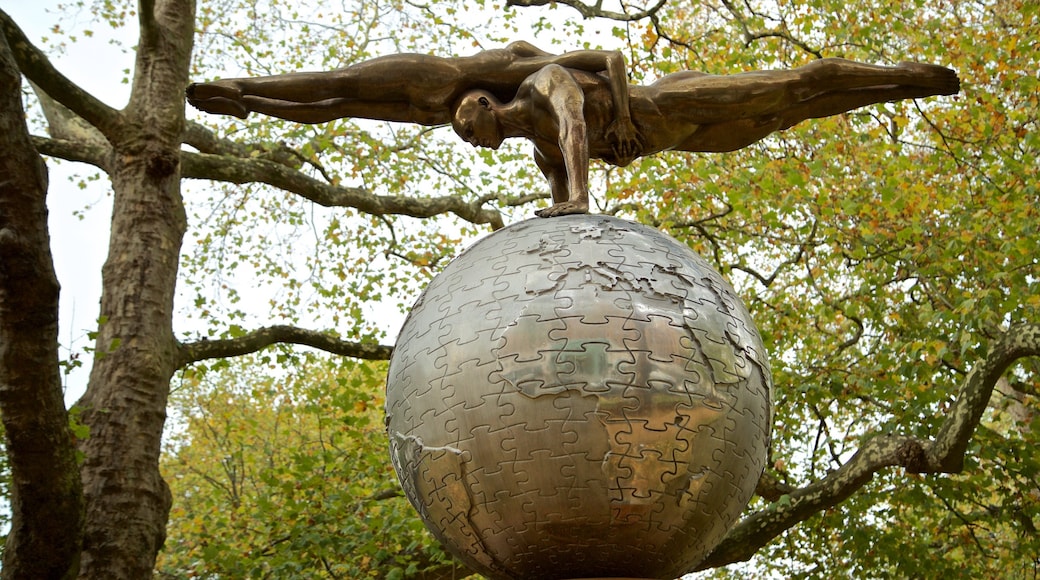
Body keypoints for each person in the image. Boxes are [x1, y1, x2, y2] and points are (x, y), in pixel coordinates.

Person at [450, 59, 960, 217]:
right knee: (785, 119)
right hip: (675, 139)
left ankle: (904, 74)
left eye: (468, 127)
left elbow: (578, 119)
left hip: (670, 104)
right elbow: (567, 218)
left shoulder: (541, 85)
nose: (472, 139)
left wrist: (623, 119)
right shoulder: (546, 157)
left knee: (794, 86)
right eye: (465, 138)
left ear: (483, 104)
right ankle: (889, 94)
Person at [186, 41, 641, 161]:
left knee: (336, 107)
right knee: (338, 81)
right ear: (483, 105)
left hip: (428, 109)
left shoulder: (456, 117)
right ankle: (240, 85)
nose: (475, 142)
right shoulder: (512, 75)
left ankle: (250, 103)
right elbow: (607, 57)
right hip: (429, 77)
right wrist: (622, 112)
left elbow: (333, 108)